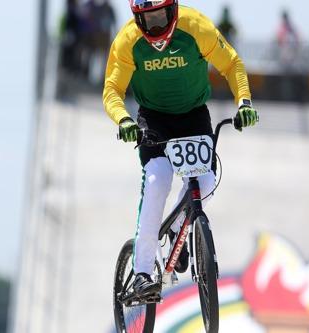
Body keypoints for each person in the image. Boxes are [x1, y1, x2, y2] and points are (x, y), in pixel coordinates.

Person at [103, 0, 258, 297]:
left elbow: (232, 64)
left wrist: (244, 102)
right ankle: (143, 273)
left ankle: (177, 227)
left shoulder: (196, 26)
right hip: (154, 120)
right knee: (157, 179)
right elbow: (112, 89)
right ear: (137, 19)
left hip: (193, 116)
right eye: (147, 20)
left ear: (173, 10)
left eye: (161, 17)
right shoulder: (128, 41)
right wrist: (123, 119)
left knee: (206, 182)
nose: (156, 27)